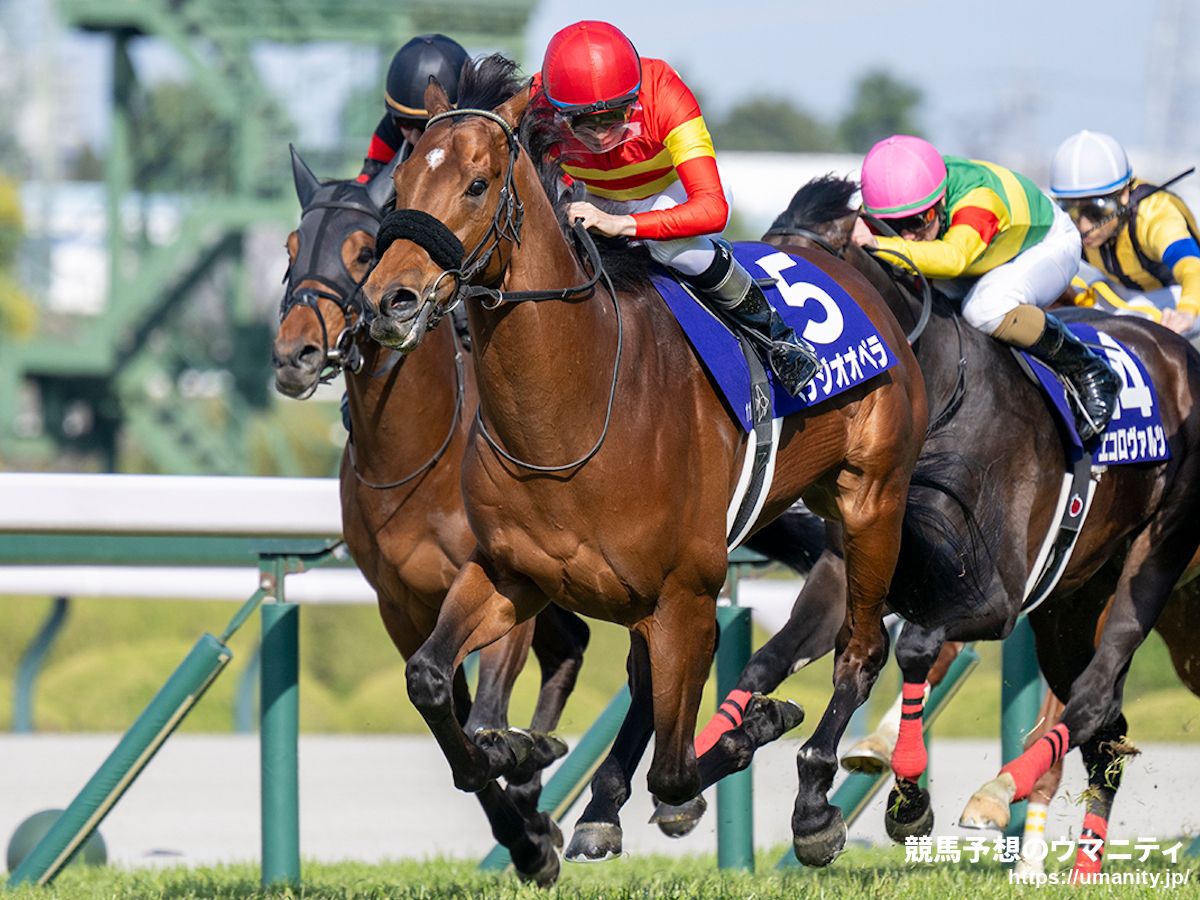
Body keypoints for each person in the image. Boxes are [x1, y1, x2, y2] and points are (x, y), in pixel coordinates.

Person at [530, 20, 818, 396]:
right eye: (585, 121)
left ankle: (778, 338)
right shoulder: (536, 99)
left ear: (634, 98)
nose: (601, 134)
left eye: (614, 116)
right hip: (595, 195)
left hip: (672, 192)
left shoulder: (665, 92)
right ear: (557, 108)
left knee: (667, 246)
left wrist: (623, 224)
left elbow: (713, 209)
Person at [852, 134, 1120, 441]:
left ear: (939, 202)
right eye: (892, 225)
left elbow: (953, 259)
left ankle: (1089, 368)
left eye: (917, 221)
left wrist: (877, 242)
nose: (907, 236)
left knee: (983, 308)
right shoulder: (888, 203)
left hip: (1044, 245)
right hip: (982, 253)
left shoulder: (978, 199)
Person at [1048, 130, 1200, 337]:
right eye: (1071, 211)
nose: (1083, 226)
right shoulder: (1067, 224)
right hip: (1124, 292)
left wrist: (1186, 310)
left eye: (1096, 211)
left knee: (1128, 319)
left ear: (1124, 195)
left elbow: (1192, 266)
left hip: (1186, 292)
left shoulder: (1155, 214)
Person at [355, 34, 470, 182]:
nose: (417, 136)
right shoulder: (390, 126)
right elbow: (367, 182)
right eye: (406, 124)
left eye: (426, 126)